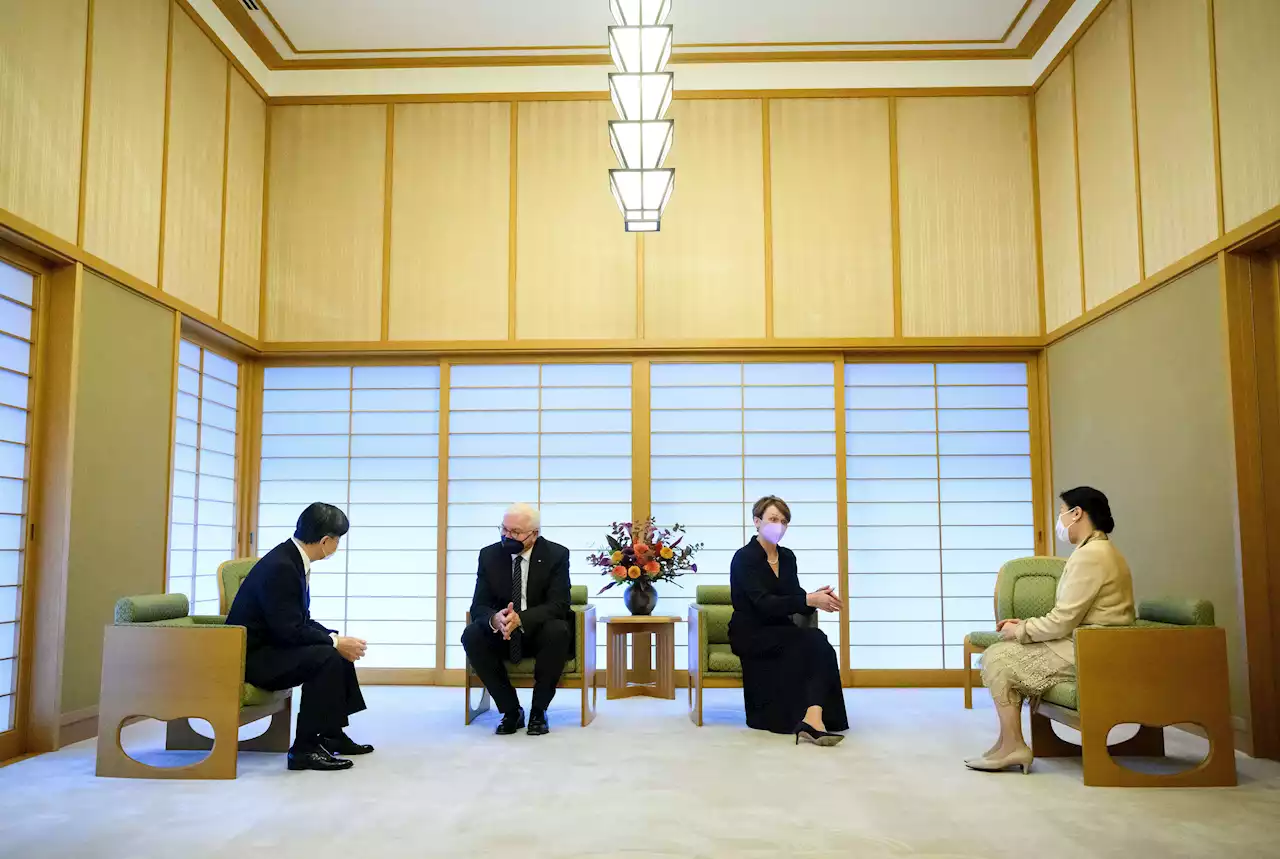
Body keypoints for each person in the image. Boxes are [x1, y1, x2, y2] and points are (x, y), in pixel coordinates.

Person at [967, 486, 1135, 774]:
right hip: (1089, 641)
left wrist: (1019, 632)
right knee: (1001, 653)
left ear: (1077, 513)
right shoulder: (1097, 551)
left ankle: (1013, 746)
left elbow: (1063, 620)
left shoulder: (1091, 556)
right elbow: (1070, 615)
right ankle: (1008, 741)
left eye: (1061, 513)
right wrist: (1025, 626)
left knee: (998, 658)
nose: (1060, 520)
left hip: (1093, 649)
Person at [225, 502, 372, 772]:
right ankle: (304, 748)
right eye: (337, 541)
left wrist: (335, 637)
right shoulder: (282, 566)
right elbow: (289, 631)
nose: (337, 547)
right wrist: (335, 643)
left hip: (274, 646)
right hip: (255, 658)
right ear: (326, 541)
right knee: (328, 654)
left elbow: (297, 621)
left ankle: (331, 734)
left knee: (335, 644)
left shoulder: (292, 557)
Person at [729, 495, 848, 745]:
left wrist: (816, 597)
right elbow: (763, 604)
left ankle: (814, 717)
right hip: (751, 632)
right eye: (773, 519)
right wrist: (808, 600)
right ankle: (813, 718)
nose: (779, 526)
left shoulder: (788, 557)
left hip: (781, 629)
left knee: (817, 640)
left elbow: (793, 597)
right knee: (812, 642)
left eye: (784, 521)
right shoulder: (744, 558)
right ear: (757, 521)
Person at [461, 502, 572, 736]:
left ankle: (539, 711)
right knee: (471, 634)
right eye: (504, 529)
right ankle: (511, 711)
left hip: (537, 631)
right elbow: (478, 605)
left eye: (516, 532)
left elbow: (559, 604)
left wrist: (520, 619)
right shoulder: (489, 555)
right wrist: (495, 619)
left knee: (558, 630)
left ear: (535, 534)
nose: (507, 536)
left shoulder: (556, 555)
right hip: (501, 633)